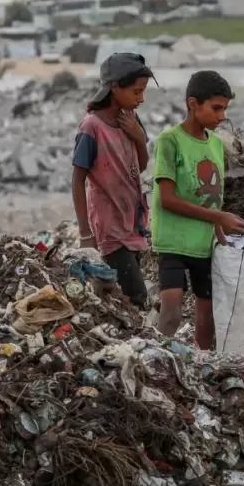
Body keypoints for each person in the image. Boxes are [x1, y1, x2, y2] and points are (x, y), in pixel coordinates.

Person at [151, 70, 244, 349]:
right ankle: (156, 362)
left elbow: (212, 199)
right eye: (216, 108)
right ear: (193, 103)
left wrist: (222, 238)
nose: (221, 116)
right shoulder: (170, 141)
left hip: (204, 246)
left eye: (225, 109)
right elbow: (166, 199)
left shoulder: (216, 146)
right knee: (171, 313)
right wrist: (219, 217)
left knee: (206, 319)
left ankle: (203, 370)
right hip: (174, 242)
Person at [72, 53, 154, 306]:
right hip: (109, 224)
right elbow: (77, 180)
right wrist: (85, 232)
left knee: (126, 296)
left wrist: (139, 137)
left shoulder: (131, 119)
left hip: (133, 220)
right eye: (136, 92)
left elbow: (139, 166)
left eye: (143, 92)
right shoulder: (92, 126)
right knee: (137, 296)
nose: (141, 98)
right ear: (115, 87)